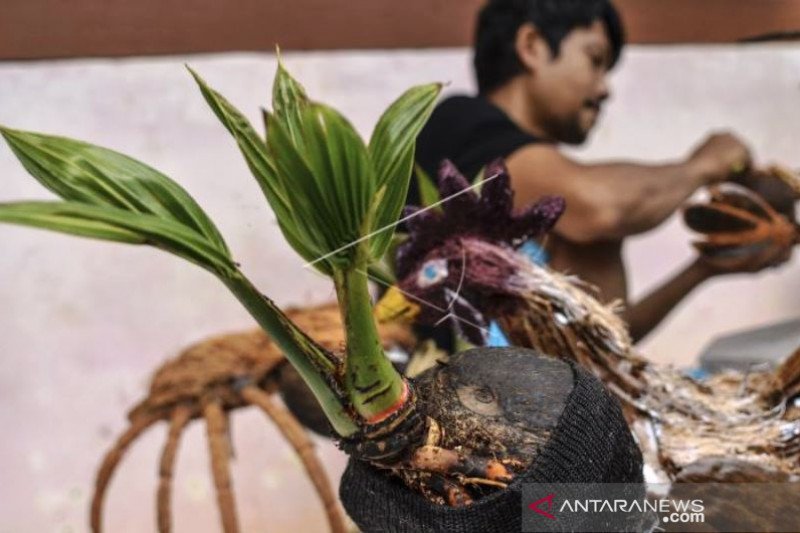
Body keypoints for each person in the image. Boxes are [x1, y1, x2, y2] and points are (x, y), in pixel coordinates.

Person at [411, 0, 790, 343]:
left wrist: (703, 269)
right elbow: (605, 207)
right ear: (531, 46)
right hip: (438, 400)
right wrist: (705, 164)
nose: (604, 88)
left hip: (526, 406)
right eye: (595, 60)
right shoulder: (460, 122)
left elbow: (604, 341)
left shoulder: (561, 214)